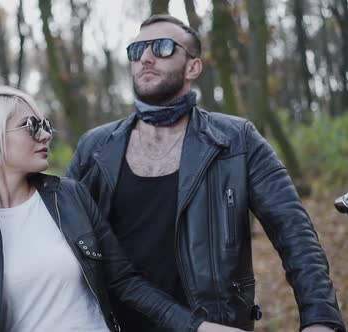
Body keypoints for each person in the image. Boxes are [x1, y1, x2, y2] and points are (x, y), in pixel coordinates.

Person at [67, 14, 345, 332]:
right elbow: (64, 239)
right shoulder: (95, 147)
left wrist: (321, 319)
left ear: (193, 67)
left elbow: (294, 234)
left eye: (162, 47)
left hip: (214, 325)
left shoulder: (237, 140)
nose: (146, 57)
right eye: (137, 49)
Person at [0, 86, 245, 332]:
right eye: (31, 125)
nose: (46, 134)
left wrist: (196, 327)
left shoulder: (69, 196)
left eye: (45, 124)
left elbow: (125, 282)